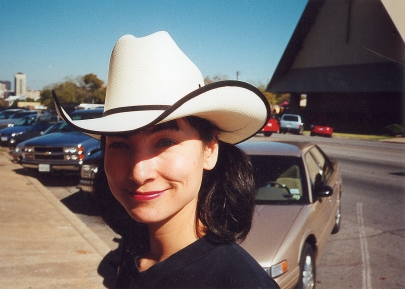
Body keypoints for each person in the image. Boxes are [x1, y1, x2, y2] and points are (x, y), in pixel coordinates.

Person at [52, 31, 279, 289]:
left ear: (210, 149)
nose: (139, 172)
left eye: (165, 142)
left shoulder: (242, 283)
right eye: (119, 144)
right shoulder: (133, 253)